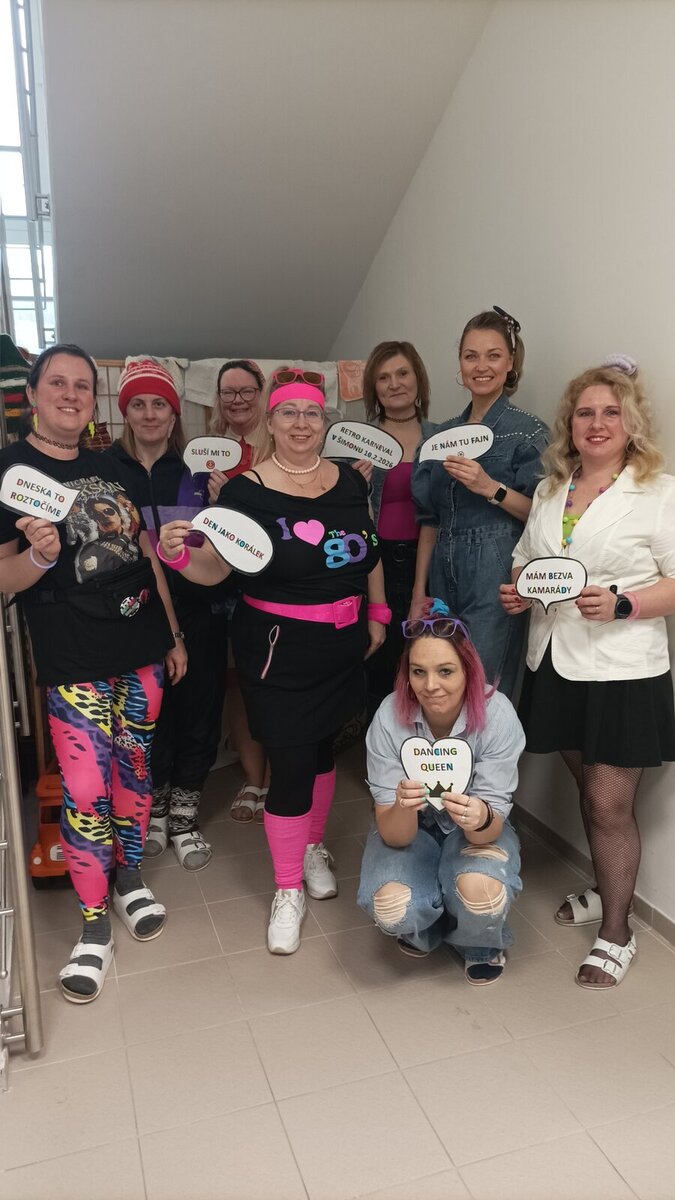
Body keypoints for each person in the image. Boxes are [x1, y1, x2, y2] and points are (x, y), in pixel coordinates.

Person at [158, 367, 389, 954]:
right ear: (271, 420)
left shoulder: (348, 482)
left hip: (341, 645)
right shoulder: (245, 493)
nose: (301, 423)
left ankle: (311, 848)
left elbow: (368, 553)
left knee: (321, 751)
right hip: (275, 649)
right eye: (289, 412)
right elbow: (216, 569)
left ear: (325, 421)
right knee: (289, 763)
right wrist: (177, 556)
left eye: (312, 412)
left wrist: (378, 613)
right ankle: (288, 890)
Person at [0, 344, 187, 1003]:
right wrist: (39, 557)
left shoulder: (111, 465)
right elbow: (2, 576)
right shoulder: (10, 470)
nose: (71, 394)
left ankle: (128, 877)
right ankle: (91, 925)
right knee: (85, 788)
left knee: (134, 774)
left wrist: (171, 632)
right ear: (33, 393)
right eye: (58, 382)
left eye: (83, 385)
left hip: (141, 646)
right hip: (73, 656)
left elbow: (146, 554)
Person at [500, 356, 675, 989]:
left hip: (621, 669)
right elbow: (526, 559)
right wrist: (520, 591)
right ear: (569, 424)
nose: (597, 424)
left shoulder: (658, 492)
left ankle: (618, 931)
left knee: (608, 802)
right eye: (584, 413)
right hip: (555, 659)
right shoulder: (553, 490)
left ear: (632, 423)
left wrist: (624, 604)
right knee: (589, 789)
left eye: (611, 413)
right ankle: (608, 889)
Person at [357, 598, 524, 983]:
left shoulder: (497, 715)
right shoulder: (389, 716)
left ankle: (477, 943)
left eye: (445, 671)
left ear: (468, 670)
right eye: (418, 672)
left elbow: (487, 831)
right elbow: (395, 835)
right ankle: (428, 927)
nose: (430, 686)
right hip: (410, 830)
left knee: (483, 892)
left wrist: (479, 816)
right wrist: (403, 805)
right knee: (394, 907)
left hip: (472, 831)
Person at [106, 358, 228, 870]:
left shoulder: (198, 473)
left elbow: (224, 548)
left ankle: (184, 816)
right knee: (146, 717)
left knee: (198, 712)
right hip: (134, 617)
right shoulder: (105, 471)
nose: (150, 413)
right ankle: (153, 810)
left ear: (175, 414)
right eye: (138, 404)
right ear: (125, 412)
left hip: (199, 612)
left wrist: (224, 503)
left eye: (160, 404)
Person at [412, 307, 549, 696]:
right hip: (442, 569)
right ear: (460, 363)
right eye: (471, 356)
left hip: (496, 569)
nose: (481, 366)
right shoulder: (440, 436)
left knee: (484, 690)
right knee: (442, 683)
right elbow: (430, 520)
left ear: (510, 363)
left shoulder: (528, 432)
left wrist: (491, 488)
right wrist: (419, 592)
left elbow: (543, 515)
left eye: (493, 355)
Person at [207, 359, 269, 822]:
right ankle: (253, 779)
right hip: (222, 584)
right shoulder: (208, 451)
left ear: (261, 393)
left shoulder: (282, 442)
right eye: (228, 392)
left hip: (274, 582)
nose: (238, 400)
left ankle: (280, 776)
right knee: (238, 684)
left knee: (274, 681)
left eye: (246, 391)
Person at [360, 341, 437, 712]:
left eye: (402, 373)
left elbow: (438, 514)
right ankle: (379, 740)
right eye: (383, 377)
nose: (394, 384)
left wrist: (420, 589)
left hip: (430, 564)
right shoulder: (358, 441)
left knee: (425, 663)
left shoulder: (442, 437)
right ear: (373, 388)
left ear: (418, 377)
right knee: (378, 664)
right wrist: (355, 486)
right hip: (375, 567)